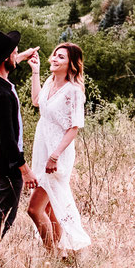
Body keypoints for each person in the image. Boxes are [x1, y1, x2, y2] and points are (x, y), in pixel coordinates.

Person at [0, 30, 40, 264]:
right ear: (5, 59)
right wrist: (25, 170)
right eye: (14, 52)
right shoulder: (2, 95)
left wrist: (22, 56)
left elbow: (6, 61)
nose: (16, 54)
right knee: (3, 217)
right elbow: (9, 139)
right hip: (6, 163)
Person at [26, 42, 92, 257]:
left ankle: (51, 253)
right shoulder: (49, 81)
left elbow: (74, 127)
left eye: (61, 57)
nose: (54, 59)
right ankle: (60, 253)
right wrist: (35, 72)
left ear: (71, 64)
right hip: (42, 148)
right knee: (50, 206)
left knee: (34, 209)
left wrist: (55, 156)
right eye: (54, 55)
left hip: (57, 153)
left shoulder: (73, 92)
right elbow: (36, 102)